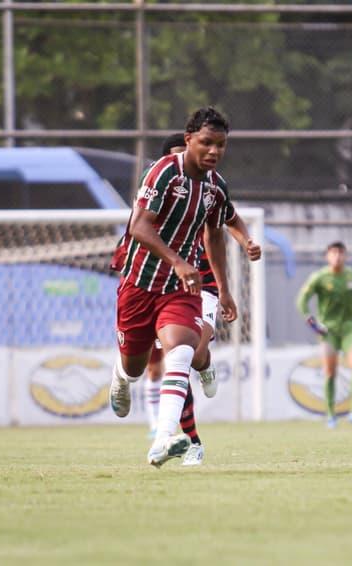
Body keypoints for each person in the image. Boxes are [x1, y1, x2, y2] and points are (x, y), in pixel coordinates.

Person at [109, 107, 236, 467]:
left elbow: (214, 234)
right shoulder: (164, 172)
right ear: (188, 140)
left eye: (221, 145)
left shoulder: (216, 187)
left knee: (180, 350)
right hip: (139, 285)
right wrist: (177, 261)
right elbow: (138, 227)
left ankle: (164, 438)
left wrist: (224, 289)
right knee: (135, 367)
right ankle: (120, 375)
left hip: (179, 289)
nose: (214, 151)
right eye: (207, 143)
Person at [142, 133, 261, 466]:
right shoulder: (159, 196)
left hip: (202, 286)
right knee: (166, 364)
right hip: (162, 286)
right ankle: (192, 442)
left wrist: (243, 249)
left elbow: (229, 219)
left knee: (190, 354)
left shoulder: (209, 190)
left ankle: (204, 366)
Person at [296, 241, 352, 428]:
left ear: (345, 256)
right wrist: (312, 322)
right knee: (330, 372)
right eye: (333, 253)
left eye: (340, 253)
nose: (337, 256)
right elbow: (302, 300)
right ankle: (330, 415)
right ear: (327, 256)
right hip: (328, 330)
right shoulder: (320, 277)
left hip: (349, 329)